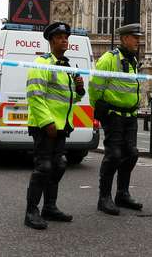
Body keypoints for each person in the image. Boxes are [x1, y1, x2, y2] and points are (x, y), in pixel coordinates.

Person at [24, 21, 85, 230]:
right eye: (60, 37)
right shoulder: (41, 63)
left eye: (66, 37)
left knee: (58, 165)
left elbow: (70, 99)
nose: (64, 40)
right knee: (44, 167)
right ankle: (31, 211)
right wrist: (47, 122)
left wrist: (79, 90)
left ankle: (49, 207)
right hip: (45, 126)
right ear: (51, 41)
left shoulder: (67, 67)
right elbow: (34, 95)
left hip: (61, 126)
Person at [89, 23, 144, 216]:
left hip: (130, 116)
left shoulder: (132, 60)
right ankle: (104, 198)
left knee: (132, 154)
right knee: (113, 155)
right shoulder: (108, 59)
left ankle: (122, 194)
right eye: (135, 37)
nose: (138, 40)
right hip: (114, 116)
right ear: (124, 38)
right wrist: (100, 107)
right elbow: (95, 86)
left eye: (139, 37)